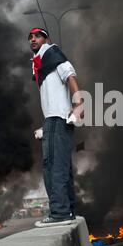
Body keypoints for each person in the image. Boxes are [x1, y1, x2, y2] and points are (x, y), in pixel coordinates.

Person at [28, 27, 83, 227]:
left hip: (57, 119)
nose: (33, 39)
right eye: (30, 37)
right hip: (53, 120)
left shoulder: (52, 53)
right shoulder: (40, 64)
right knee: (61, 165)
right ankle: (67, 210)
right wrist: (45, 126)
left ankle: (59, 212)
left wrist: (78, 105)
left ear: (46, 39)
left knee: (52, 166)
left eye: (37, 36)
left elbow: (70, 76)